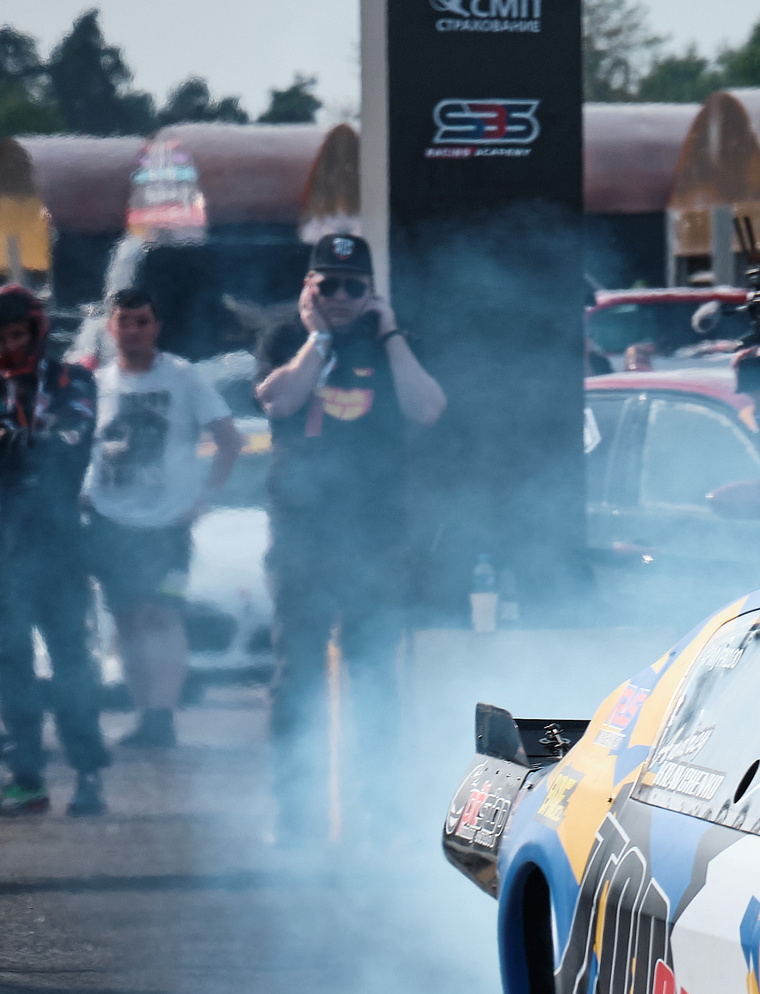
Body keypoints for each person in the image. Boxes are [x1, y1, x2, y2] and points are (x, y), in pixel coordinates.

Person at [254, 234, 445, 845]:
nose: (339, 296)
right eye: (327, 284)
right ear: (309, 287)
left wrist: (387, 335)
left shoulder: (391, 343)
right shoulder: (285, 337)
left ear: (370, 291)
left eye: (352, 285)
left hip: (373, 536)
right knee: (298, 674)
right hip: (302, 536)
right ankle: (293, 816)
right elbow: (276, 398)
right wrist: (318, 338)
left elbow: (428, 409)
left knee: (374, 676)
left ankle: (381, 812)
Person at [83, 287, 241, 752]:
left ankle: (163, 715)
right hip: (111, 522)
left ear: (156, 327)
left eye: (141, 321)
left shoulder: (184, 377)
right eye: (123, 322)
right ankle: (143, 716)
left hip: (167, 525)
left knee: (162, 614)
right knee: (128, 618)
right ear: (111, 329)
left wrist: (207, 499)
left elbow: (228, 440)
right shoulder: (96, 384)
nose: (132, 331)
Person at [0, 284, 106, 816]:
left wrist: (18, 441)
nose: (7, 346)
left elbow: (69, 442)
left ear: (37, 332)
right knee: (10, 666)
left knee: (71, 664)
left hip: (59, 547)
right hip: (5, 550)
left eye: (15, 335)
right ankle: (25, 777)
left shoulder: (72, 380)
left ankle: (88, 774)